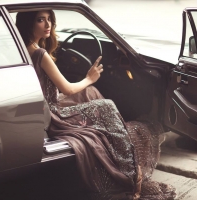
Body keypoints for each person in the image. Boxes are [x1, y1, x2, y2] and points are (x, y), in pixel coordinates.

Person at [16, 10, 176, 200]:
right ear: (29, 23)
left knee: (89, 94)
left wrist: (84, 86)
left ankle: (124, 150)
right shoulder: (41, 54)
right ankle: (130, 170)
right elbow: (67, 89)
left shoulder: (23, 49)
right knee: (105, 106)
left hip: (43, 108)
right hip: (53, 114)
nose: (48, 24)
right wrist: (89, 78)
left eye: (49, 19)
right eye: (40, 20)